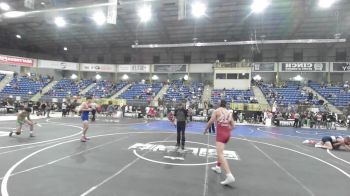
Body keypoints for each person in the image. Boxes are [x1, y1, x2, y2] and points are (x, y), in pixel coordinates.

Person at [204, 100, 235, 185]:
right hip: (227, 134)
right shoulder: (228, 112)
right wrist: (227, 130)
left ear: (219, 104)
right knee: (220, 152)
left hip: (221, 134)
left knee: (220, 154)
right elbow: (233, 125)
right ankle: (218, 167)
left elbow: (211, 121)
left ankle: (229, 175)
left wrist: (205, 129)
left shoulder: (217, 111)